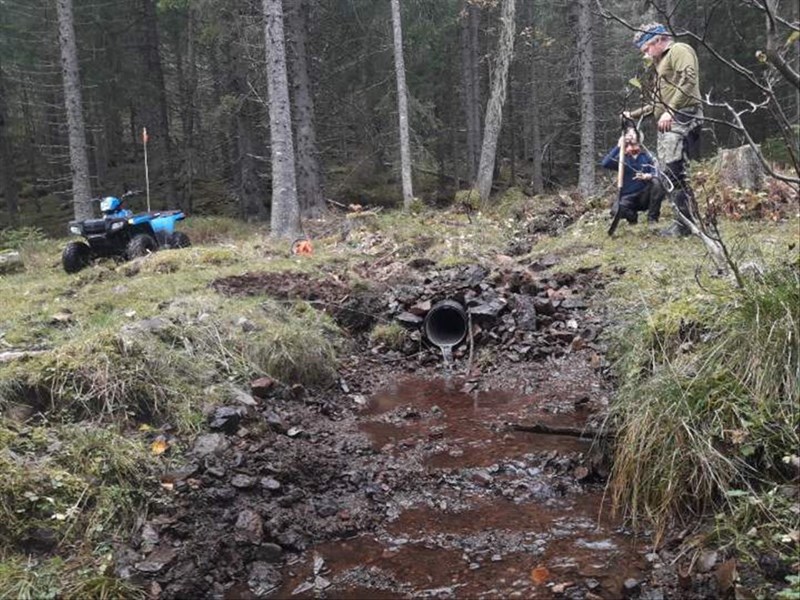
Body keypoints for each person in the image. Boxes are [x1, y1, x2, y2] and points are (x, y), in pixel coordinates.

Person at [623, 23, 703, 237]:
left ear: (659, 40)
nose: (646, 54)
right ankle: (685, 223)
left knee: (674, 173)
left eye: (647, 48)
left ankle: (684, 226)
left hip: (684, 117)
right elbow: (658, 104)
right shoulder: (661, 64)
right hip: (671, 120)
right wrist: (634, 114)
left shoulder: (679, 50)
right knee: (672, 174)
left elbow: (689, 79)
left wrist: (671, 110)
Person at [601, 127, 665, 233]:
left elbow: (658, 172)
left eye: (633, 134)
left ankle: (652, 220)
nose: (630, 137)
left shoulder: (647, 156)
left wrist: (648, 176)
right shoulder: (622, 157)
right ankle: (632, 218)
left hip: (644, 196)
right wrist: (618, 146)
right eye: (629, 134)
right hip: (627, 197)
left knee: (657, 183)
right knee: (616, 211)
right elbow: (605, 163)